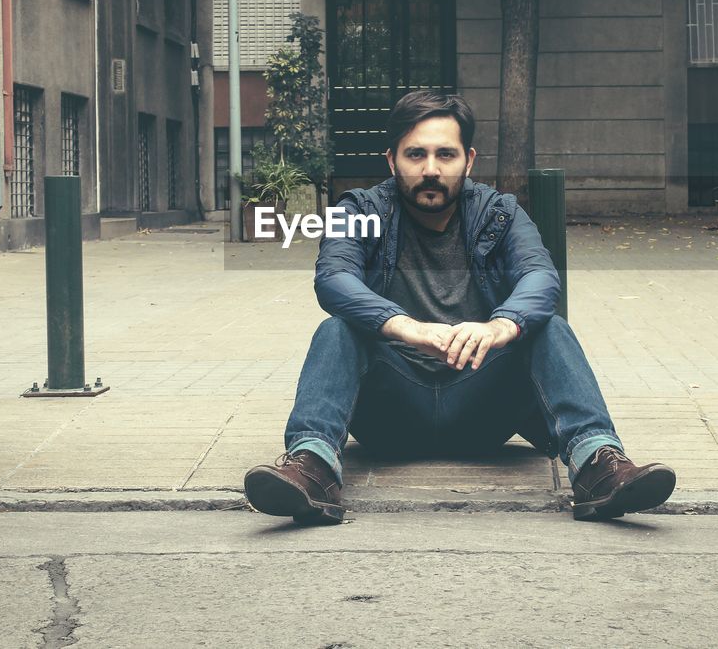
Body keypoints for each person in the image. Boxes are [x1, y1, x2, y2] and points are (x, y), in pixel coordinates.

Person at [243, 91, 676, 524]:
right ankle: (311, 469)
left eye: (445, 155)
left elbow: (540, 277)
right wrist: (406, 326)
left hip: (482, 410)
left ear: (468, 161)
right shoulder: (356, 209)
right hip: (390, 416)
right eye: (416, 154)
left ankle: (599, 468)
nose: (431, 169)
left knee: (548, 327)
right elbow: (333, 279)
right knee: (336, 329)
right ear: (392, 161)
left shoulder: (501, 213)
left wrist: (501, 325)